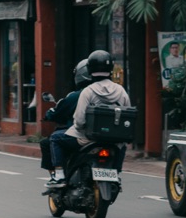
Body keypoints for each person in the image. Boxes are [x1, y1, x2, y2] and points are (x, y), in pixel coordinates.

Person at [49, 51, 131, 182]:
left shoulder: (88, 91)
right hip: (114, 140)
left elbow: (79, 121)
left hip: (88, 139)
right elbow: (127, 115)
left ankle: (59, 175)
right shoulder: (121, 90)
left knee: (55, 138)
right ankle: (116, 173)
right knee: (122, 145)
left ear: (90, 69)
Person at [42, 60, 91, 172]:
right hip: (108, 137)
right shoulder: (115, 91)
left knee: (52, 140)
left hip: (83, 135)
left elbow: (59, 112)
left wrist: (49, 114)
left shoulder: (79, 95)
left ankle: (58, 175)